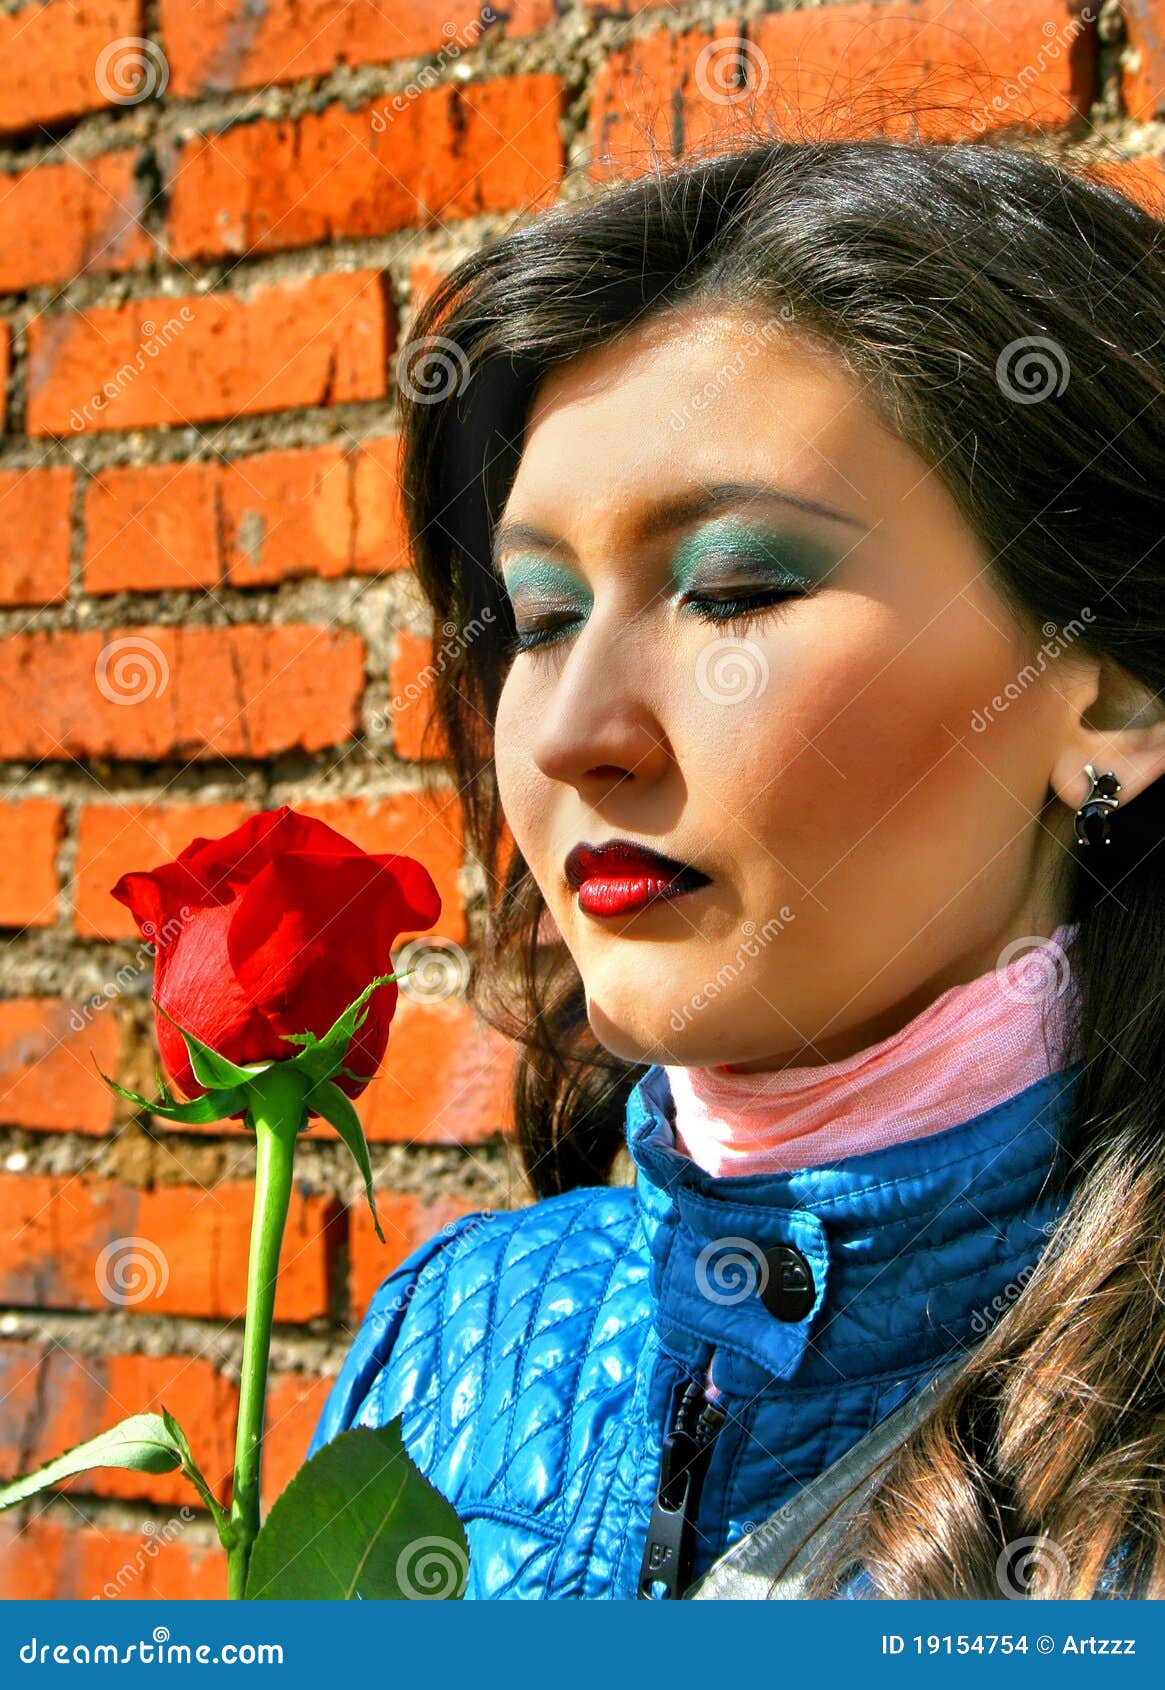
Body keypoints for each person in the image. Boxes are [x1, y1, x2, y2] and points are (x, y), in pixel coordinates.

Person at [306, 136, 1165, 1600]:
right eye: (538, 615)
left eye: (737, 586)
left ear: (1107, 698)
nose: (577, 732)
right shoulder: (450, 1337)